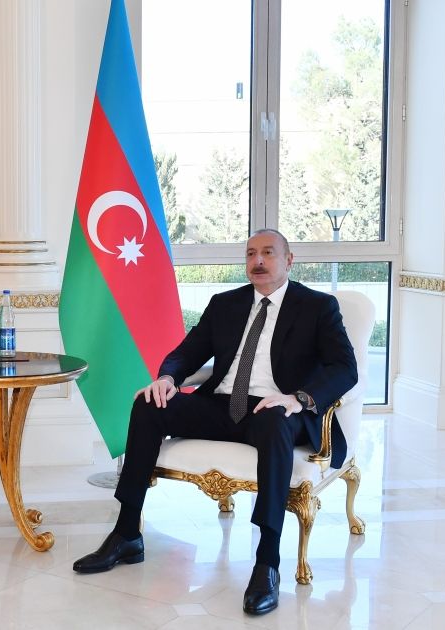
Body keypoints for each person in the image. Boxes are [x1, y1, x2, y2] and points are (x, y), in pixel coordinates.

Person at [72, 229, 358, 616]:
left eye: (268, 253)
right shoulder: (225, 303)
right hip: (222, 404)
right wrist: (167, 378)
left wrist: (299, 399)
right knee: (148, 404)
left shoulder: (317, 306)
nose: (258, 261)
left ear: (289, 260)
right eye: (251, 254)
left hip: (276, 409)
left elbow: (344, 368)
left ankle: (267, 562)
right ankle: (126, 534)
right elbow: (187, 352)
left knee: (274, 422)